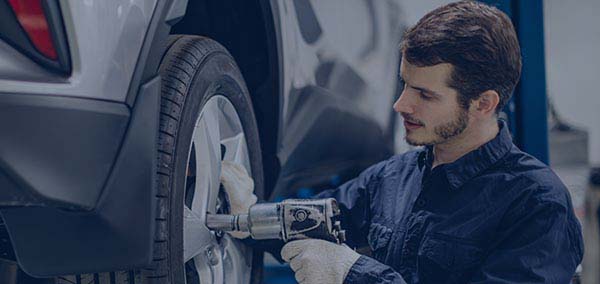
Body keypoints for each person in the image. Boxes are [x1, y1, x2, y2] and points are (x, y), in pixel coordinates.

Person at [220, 1, 584, 283]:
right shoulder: (393, 178)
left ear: (483, 103)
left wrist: (355, 274)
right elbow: (313, 223)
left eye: (424, 94)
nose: (400, 104)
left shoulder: (538, 204)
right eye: (404, 84)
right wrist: (251, 213)